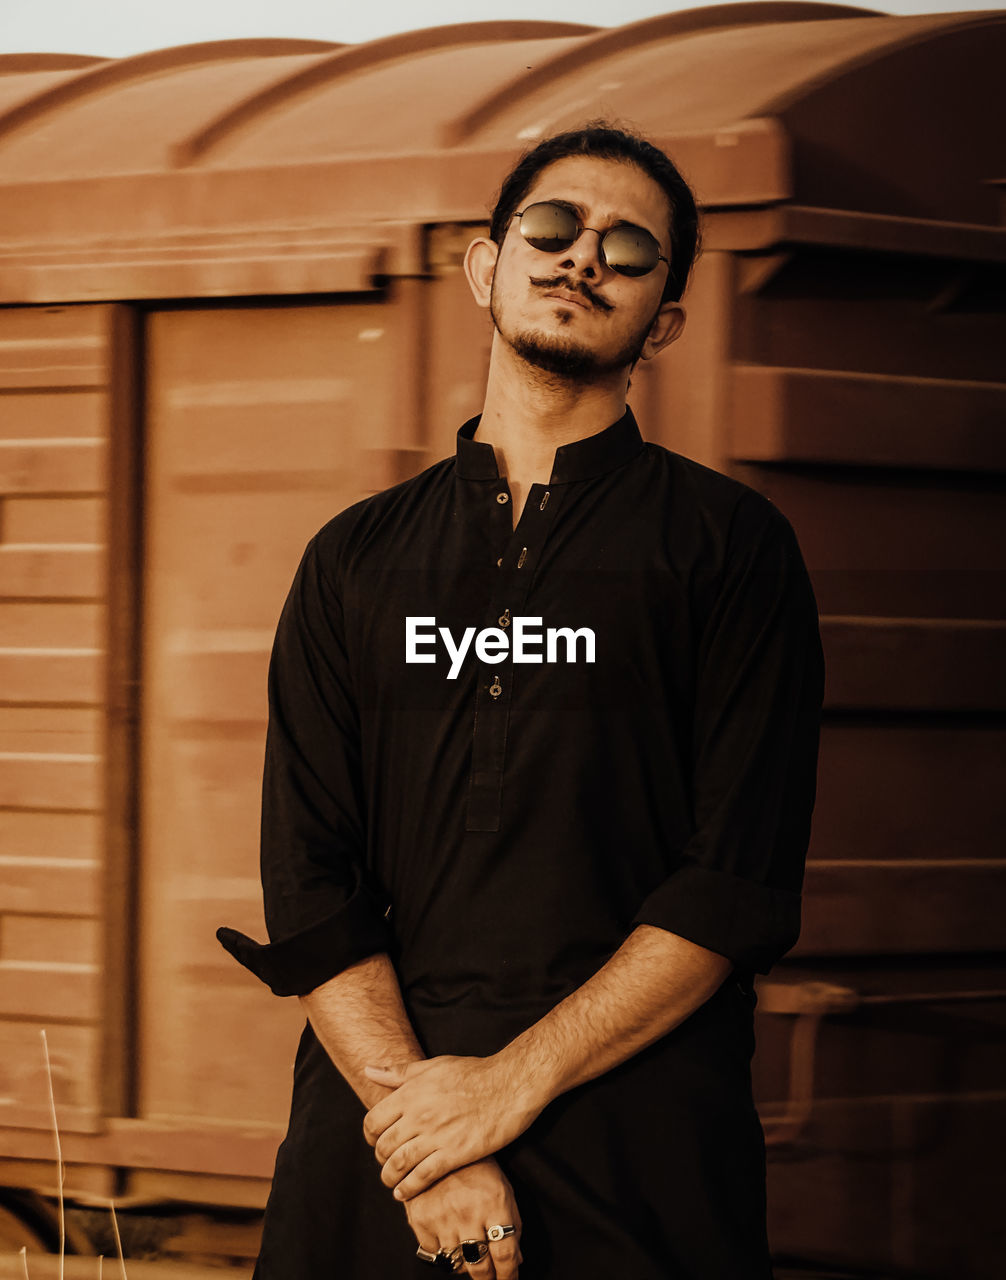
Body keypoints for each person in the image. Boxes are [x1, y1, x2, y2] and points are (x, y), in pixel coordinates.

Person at [217, 122, 825, 1280]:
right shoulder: (354, 558)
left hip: (639, 1139)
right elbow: (311, 884)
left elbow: (733, 883)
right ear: (486, 267)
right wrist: (432, 1139)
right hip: (383, 1145)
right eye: (552, 226)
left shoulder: (730, 549)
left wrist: (504, 1087)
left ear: (667, 319)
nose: (583, 255)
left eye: (630, 246)